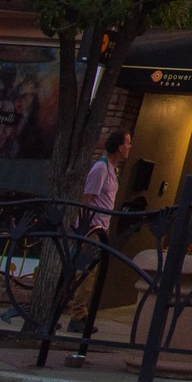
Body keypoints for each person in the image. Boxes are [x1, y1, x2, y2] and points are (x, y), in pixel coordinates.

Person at [64, 128, 132, 331]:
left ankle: (80, 313)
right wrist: (86, 226)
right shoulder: (101, 169)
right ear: (119, 147)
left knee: (93, 273)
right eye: (128, 143)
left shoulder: (113, 169)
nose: (130, 147)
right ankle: (77, 316)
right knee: (87, 273)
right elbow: (88, 198)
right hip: (92, 227)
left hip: (102, 227)